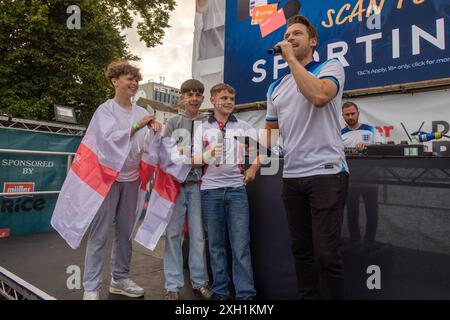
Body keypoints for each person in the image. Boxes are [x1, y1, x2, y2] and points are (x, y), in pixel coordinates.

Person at [262, 15, 348, 299]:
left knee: (326, 254)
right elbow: (271, 132)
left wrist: (291, 61)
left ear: (313, 41)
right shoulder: (275, 88)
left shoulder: (330, 67)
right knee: (302, 252)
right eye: (286, 35)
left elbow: (319, 96)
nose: (289, 39)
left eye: (296, 34)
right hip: (292, 176)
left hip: (327, 172)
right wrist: (251, 161)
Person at [81, 60, 161, 300]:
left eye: (136, 79)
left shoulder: (141, 112)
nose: (134, 83)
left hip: (132, 179)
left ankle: (120, 278)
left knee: (126, 232)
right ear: (115, 81)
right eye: (129, 78)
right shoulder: (105, 109)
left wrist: (155, 132)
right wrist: (139, 125)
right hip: (107, 178)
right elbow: (108, 140)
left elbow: (145, 146)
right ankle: (91, 287)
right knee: (100, 232)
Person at [192, 83, 258, 300]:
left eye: (231, 98)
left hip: (237, 190)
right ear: (213, 100)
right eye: (224, 97)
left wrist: (253, 168)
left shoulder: (243, 127)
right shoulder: (202, 128)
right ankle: (220, 293)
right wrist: (206, 156)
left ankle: (245, 295)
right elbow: (192, 160)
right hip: (210, 191)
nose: (229, 101)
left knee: (241, 245)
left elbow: (264, 151)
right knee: (216, 246)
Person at [162, 79, 212, 300]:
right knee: (172, 234)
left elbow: (211, 155)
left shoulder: (209, 123)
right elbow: (166, 154)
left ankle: (200, 282)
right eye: (189, 94)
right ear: (182, 97)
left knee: (198, 235)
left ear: (202, 98)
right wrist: (192, 158)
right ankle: (172, 285)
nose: (193, 98)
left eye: (197, 95)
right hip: (175, 186)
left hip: (198, 186)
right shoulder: (172, 122)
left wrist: (188, 157)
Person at [341, 101, 384, 245]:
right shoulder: (340, 134)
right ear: (343, 116)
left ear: (358, 113)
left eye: (352, 113)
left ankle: (370, 241)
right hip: (350, 181)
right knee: (352, 212)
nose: (350, 117)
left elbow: (382, 146)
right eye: (347, 114)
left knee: (372, 212)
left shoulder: (371, 130)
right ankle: (355, 241)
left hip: (371, 180)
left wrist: (368, 146)